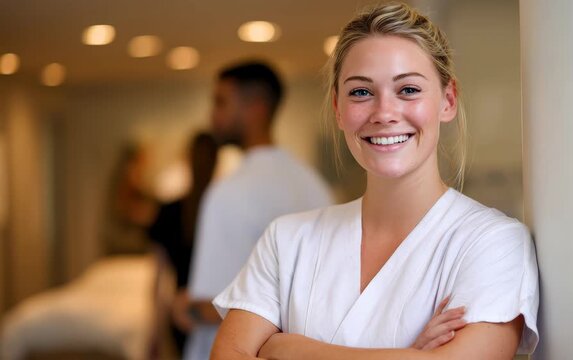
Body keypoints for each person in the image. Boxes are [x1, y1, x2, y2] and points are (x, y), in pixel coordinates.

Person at [211, 3, 539, 360]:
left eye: (409, 90)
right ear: (337, 107)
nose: (384, 113)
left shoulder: (491, 242)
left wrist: (288, 348)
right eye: (361, 92)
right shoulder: (287, 241)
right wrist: (410, 354)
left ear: (447, 100)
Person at [183, 61, 334, 360]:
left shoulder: (228, 193)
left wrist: (182, 307)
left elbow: (214, 308)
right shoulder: (315, 185)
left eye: (221, 102)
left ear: (256, 107)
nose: (212, 115)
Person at [147, 132, 218, 354]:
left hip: (180, 313)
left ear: (187, 160)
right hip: (216, 313)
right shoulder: (224, 211)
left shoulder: (169, 212)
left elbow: (158, 281)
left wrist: (155, 330)